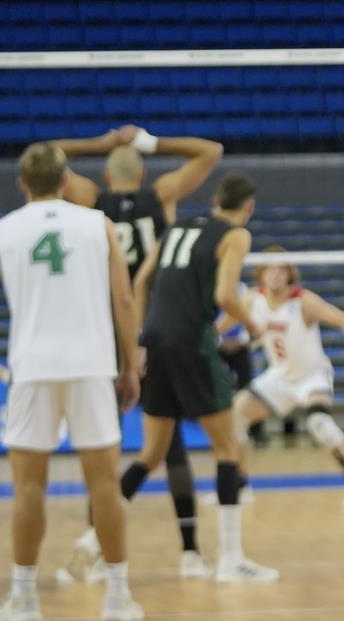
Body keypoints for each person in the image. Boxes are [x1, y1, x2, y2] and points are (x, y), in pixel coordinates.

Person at [74, 172, 275, 584]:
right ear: (248, 209)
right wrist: (253, 325)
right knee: (228, 447)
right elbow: (224, 296)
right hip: (192, 343)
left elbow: (143, 279)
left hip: (157, 340)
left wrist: (141, 334)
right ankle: (231, 560)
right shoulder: (235, 235)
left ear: (215, 197)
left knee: (151, 453)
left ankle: (94, 540)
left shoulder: (180, 225)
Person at [52, 124, 221, 576]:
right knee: (172, 447)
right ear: (144, 172)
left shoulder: (91, 200)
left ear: (106, 177)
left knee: (102, 449)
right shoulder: (162, 194)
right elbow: (210, 150)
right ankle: (189, 553)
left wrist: (97, 142)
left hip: (106, 334)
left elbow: (46, 154)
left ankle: (101, 554)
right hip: (156, 332)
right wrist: (149, 141)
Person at [1, 144, 146, 621]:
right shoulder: (96, 223)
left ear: (22, 182)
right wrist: (129, 365)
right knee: (104, 485)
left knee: (27, 488)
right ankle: (117, 596)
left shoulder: (5, 230)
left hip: (32, 366)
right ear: (66, 181)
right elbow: (123, 300)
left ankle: (23, 598)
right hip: (91, 364)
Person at [232, 250, 344, 502]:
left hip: (312, 375)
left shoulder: (304, 301)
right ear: (261, 274)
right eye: (270, 269)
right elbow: (230, 324)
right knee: (234, 417)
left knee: (319, 422)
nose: (276, 274)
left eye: (282, 269)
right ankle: (240, 487)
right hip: (278, 376)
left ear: (290, 274)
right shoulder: (252, 299)